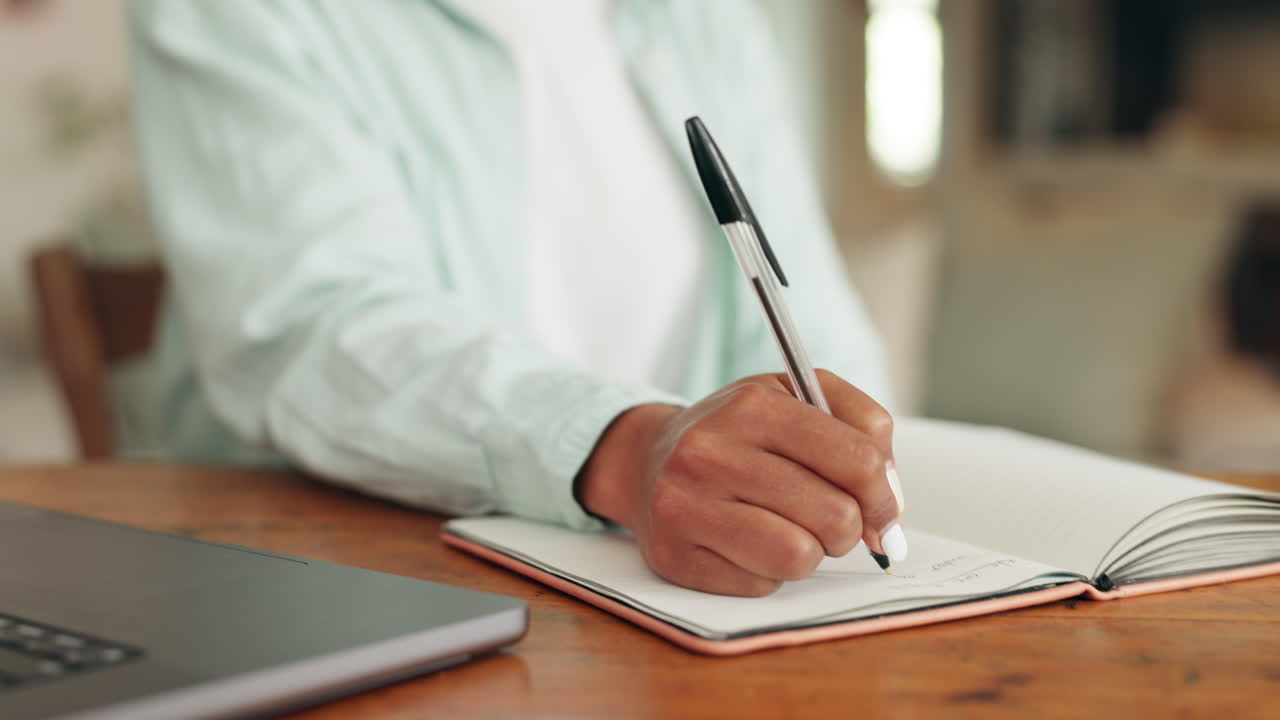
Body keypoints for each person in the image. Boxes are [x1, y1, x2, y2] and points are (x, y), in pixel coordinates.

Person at [127, 0, 902, 597]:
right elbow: (314, 326)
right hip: (333, 587)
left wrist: (832, 461)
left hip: (692, 609)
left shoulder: (703, 17)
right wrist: (631, 450)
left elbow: (810, 311)